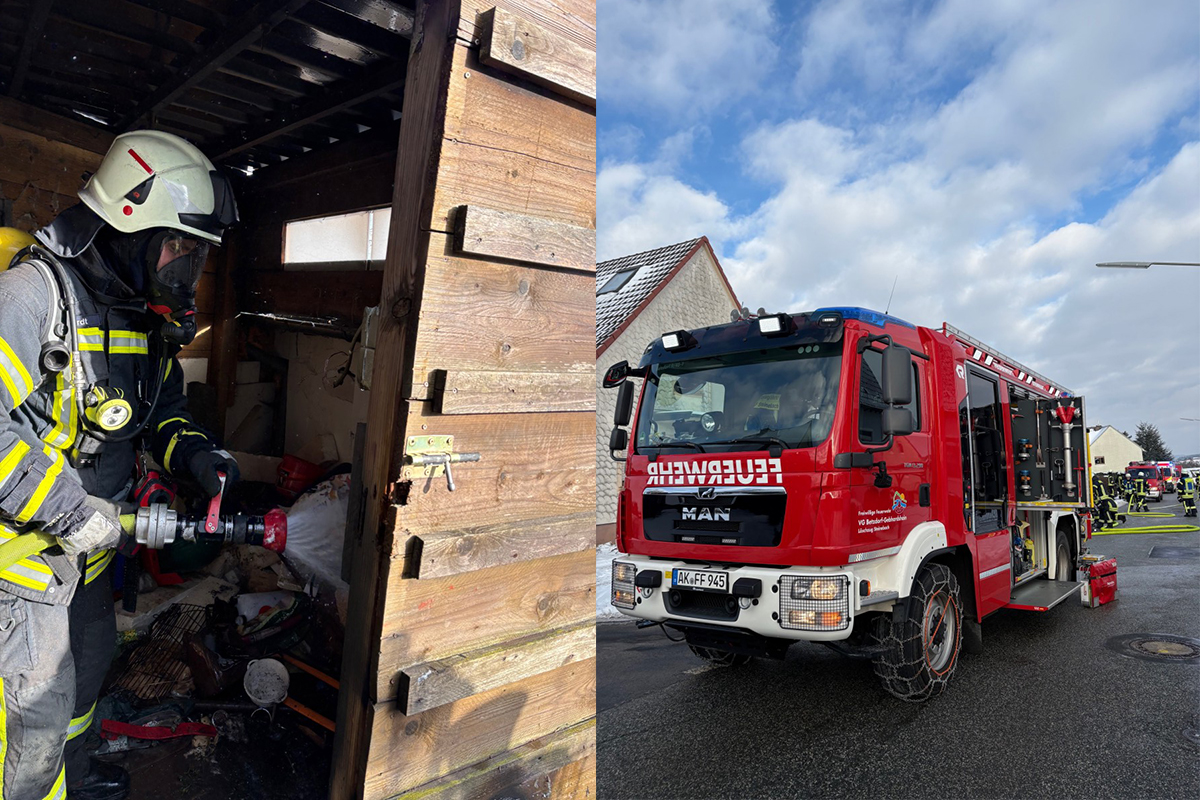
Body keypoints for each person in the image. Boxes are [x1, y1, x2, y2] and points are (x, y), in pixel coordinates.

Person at [0, 130, 239, 800]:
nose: (185, 270)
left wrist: (196, 453)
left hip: (89, 561)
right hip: (22, 563)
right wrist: (70, 510)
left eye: (197, 256)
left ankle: (70, 782)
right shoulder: (32, 298)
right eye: (179, 247)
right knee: (36, 718)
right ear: (128, 223)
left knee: (88, 679)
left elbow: (158, 410)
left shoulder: (145, 318)